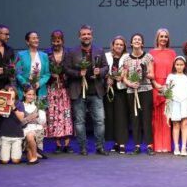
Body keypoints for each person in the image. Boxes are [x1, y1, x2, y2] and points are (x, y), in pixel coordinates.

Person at [64, 25, 109, 156]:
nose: (86, 36)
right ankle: (82, 147)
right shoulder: (72, 52)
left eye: (88, 34)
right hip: (78, 91)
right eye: (83, 34)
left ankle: (100, 147)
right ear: (79, 36)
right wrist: (79, 73)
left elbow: (106, 67)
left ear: (92, 35)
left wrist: (99, 71)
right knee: (79, 121)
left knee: (100, 121)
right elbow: (66, 69)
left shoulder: (99, 50)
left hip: (96, 91)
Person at [122, 33, 155, 155]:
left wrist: (144, 73)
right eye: (134, 39)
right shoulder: (126, 58)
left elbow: (152, 75)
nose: (137, 41)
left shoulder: (148, 57)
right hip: (132, 91)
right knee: (135, 118)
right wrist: (130, 83)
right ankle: (136, 145)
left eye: (139, 39)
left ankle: (150, 146)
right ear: (131, 43)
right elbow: (123, 77)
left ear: (142, 43)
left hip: (146, 90)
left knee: (146, 118)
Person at [45, 30, 73, 154]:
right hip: (52, 87)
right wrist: (52, 75)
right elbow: (44, 70)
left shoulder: (68, 53)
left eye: (59, 40)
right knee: (54, 114)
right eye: (54, 40)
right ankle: (57, 144)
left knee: (66, 114)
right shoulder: (47, 54)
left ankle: (67, 144)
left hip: (65, 87)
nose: (56, 42)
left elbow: (72, 68)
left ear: (62, 40)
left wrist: (66, 75)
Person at [149, 29, 175, 153]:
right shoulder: (151, 53)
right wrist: (155, 84)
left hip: (169, 86)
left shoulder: (172, 53)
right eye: (161, 36)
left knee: (167, 115)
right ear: (157, 38)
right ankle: (157, 145)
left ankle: (167, 146)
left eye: (165, 36)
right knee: (156, 116)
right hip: (155, 86)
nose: (163, 38)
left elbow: (175, 71)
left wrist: (167, 86)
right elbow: (149, 71)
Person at [104, 35, 129, 155]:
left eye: (121, 44)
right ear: (113, 45)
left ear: (124, 46)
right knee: (111, 116)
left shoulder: (127, 57)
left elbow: (131, 70)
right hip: (109, 89)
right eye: (117, 44)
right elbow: (102, 69)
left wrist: (123, 77)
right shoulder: (106, 56)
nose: (119, 46)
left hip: (121, 89)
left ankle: (122, 142)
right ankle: (116, 142)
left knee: (121, 117)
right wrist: (107, 78)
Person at [165, 56, 187, 156]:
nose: (179, 66)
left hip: (186, 101)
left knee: (185, 124)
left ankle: (183, 147)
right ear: (174, 65)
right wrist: (168, 101)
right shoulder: (171, 76)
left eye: (181, 65)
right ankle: (176, 146)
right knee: (176, 124)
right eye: (177, 64)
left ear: (184, 65)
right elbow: (167, 90)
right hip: (174, 102)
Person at [0, 85, 25, 164]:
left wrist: (13, 106)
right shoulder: (1, 102)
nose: (10, 91)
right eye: (7, 90)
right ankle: (2, 151)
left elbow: (21, 118)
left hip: (17, 136)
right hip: (5, 135)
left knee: (15, 161)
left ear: (15, 92)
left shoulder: (19, 103)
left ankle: (18, 150)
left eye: (12, 90)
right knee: (4, 161)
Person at [21, 85, 46, 165]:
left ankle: (35, 156)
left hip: (36, 129)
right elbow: (19, 123)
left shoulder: (37, 105)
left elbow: (42, 122)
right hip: (24, 129)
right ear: (24, 94)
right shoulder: (20, 106)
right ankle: (32, 152)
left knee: (30, 135)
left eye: (33, 94)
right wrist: (29, 118)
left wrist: (39, 115)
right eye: (29, 94)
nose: (31, 96)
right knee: (29, 158)